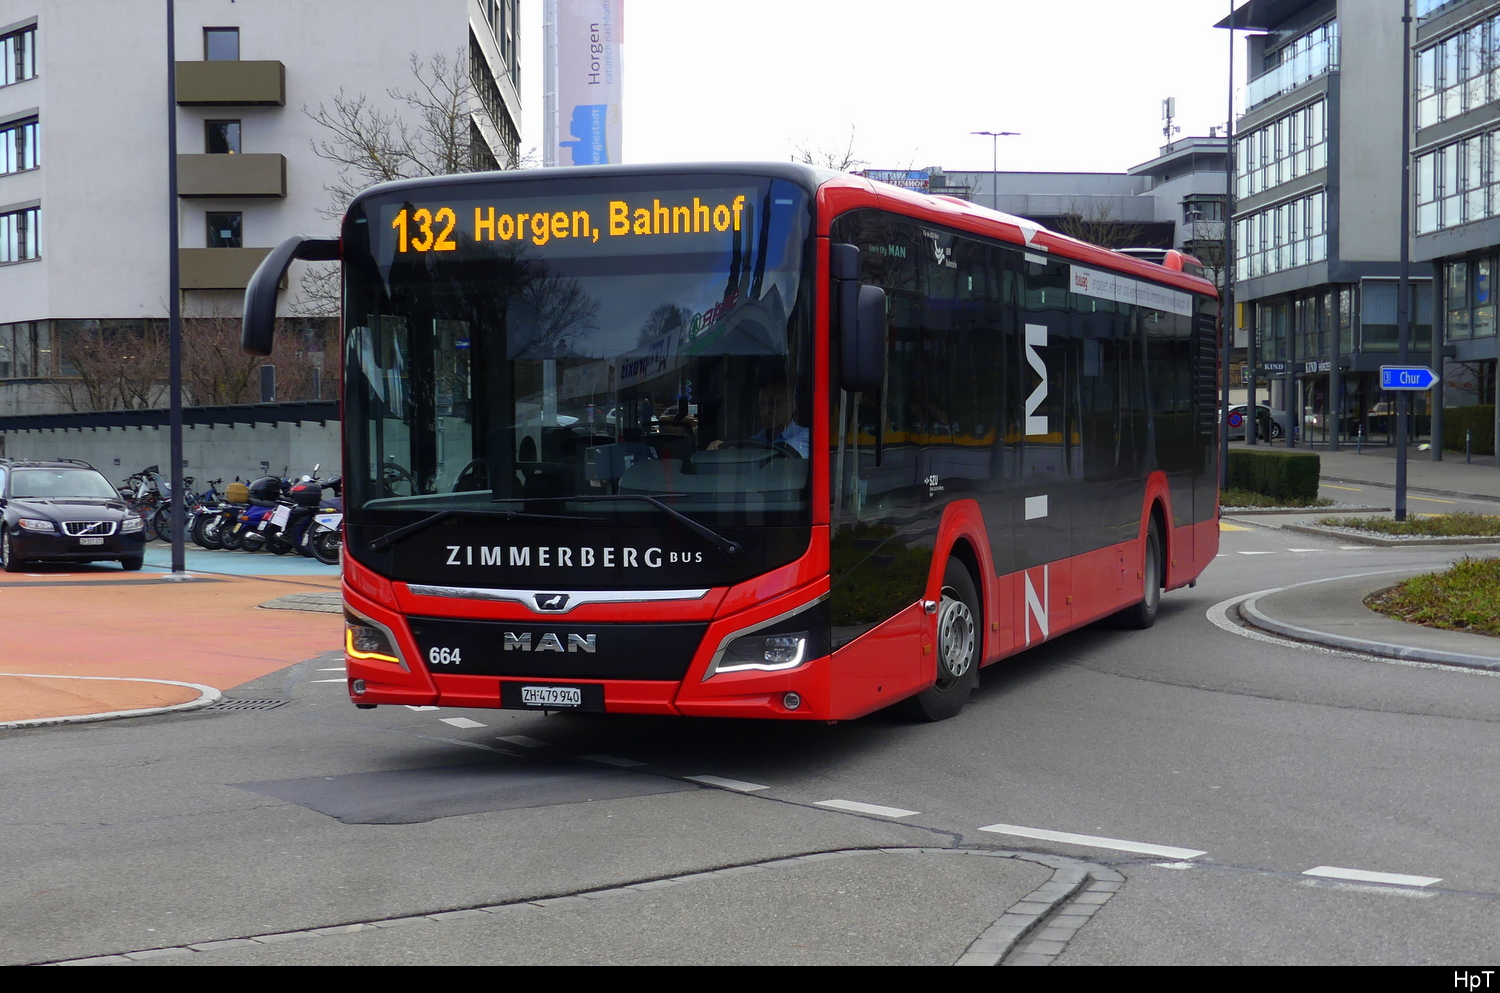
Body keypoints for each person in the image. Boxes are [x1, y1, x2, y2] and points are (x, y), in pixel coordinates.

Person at [710, 379, 808, 457]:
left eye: (774, 403)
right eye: (762, 404)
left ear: (792, 406)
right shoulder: (753, 441)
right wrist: (720, 449)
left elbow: (787, 453)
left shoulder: (808, 437)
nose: (766, 411)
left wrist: (737, 449)